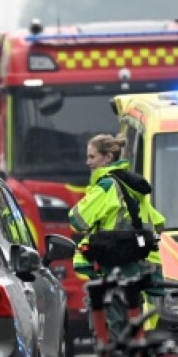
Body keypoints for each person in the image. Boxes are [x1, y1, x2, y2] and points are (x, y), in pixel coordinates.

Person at [69, 132, 166, 342]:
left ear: (107, 158)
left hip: (109, 267)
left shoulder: (106, 186)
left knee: (108, 327)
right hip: (135, 267)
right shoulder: (132, 186)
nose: (88, 162)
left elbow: (77, 220)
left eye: (92, 157)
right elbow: (158, 223)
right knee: (133, 323)